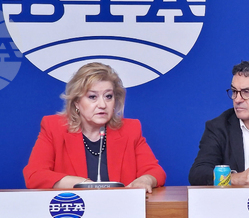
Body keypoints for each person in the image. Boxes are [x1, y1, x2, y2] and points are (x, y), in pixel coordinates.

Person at [23, 62, 166, 192]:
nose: (102, 105)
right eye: (92, 97)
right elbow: (34, 175)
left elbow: (155, 171)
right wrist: (82, 184)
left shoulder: (130, 129)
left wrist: (145, 180)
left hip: (119, 209)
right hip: (74, 209)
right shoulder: (54, 128)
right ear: (77, 102)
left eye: (108, 96)